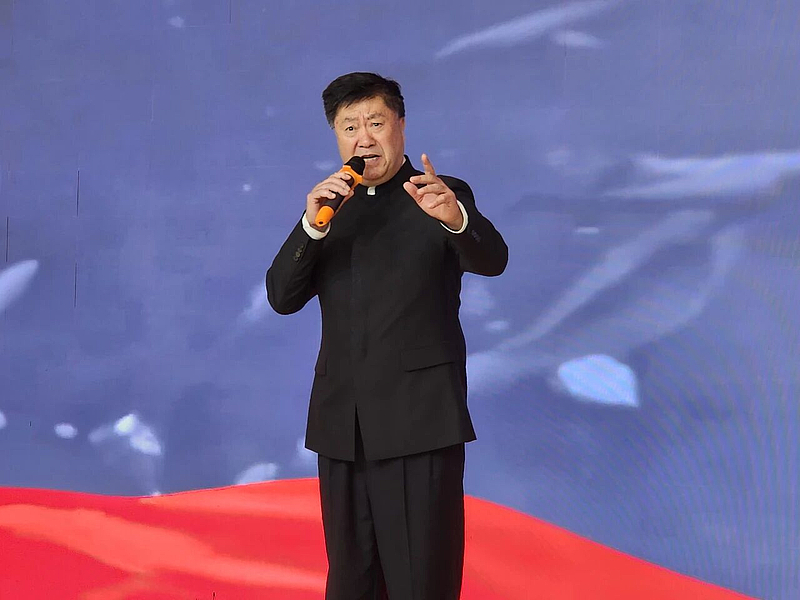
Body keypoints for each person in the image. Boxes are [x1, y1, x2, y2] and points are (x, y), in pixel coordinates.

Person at [266, 72, 508, 600]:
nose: (364, 138)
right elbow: (281, 297)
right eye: (349, 127)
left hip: (419, 422)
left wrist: (455, 218)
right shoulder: (330, 208)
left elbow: (493, 259)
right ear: (336, 135)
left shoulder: (438, 194)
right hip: (342, 426)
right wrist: (310, 228)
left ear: (400, 124)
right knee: (350, 583)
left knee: (421, 583)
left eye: (375, 122)